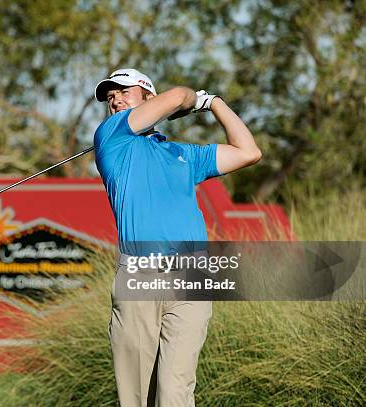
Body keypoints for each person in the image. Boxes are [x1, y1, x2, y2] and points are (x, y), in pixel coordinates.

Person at [93, 68, 261, 406]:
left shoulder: (183, 155)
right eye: (111, 97)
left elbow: (248, 152)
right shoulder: (111, 136)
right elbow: (179, 97)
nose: (116, 100)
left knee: (176, 392)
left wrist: (214, 103)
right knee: (137, 396)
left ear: (147, 98)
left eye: (124, 91)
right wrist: (192, 100)